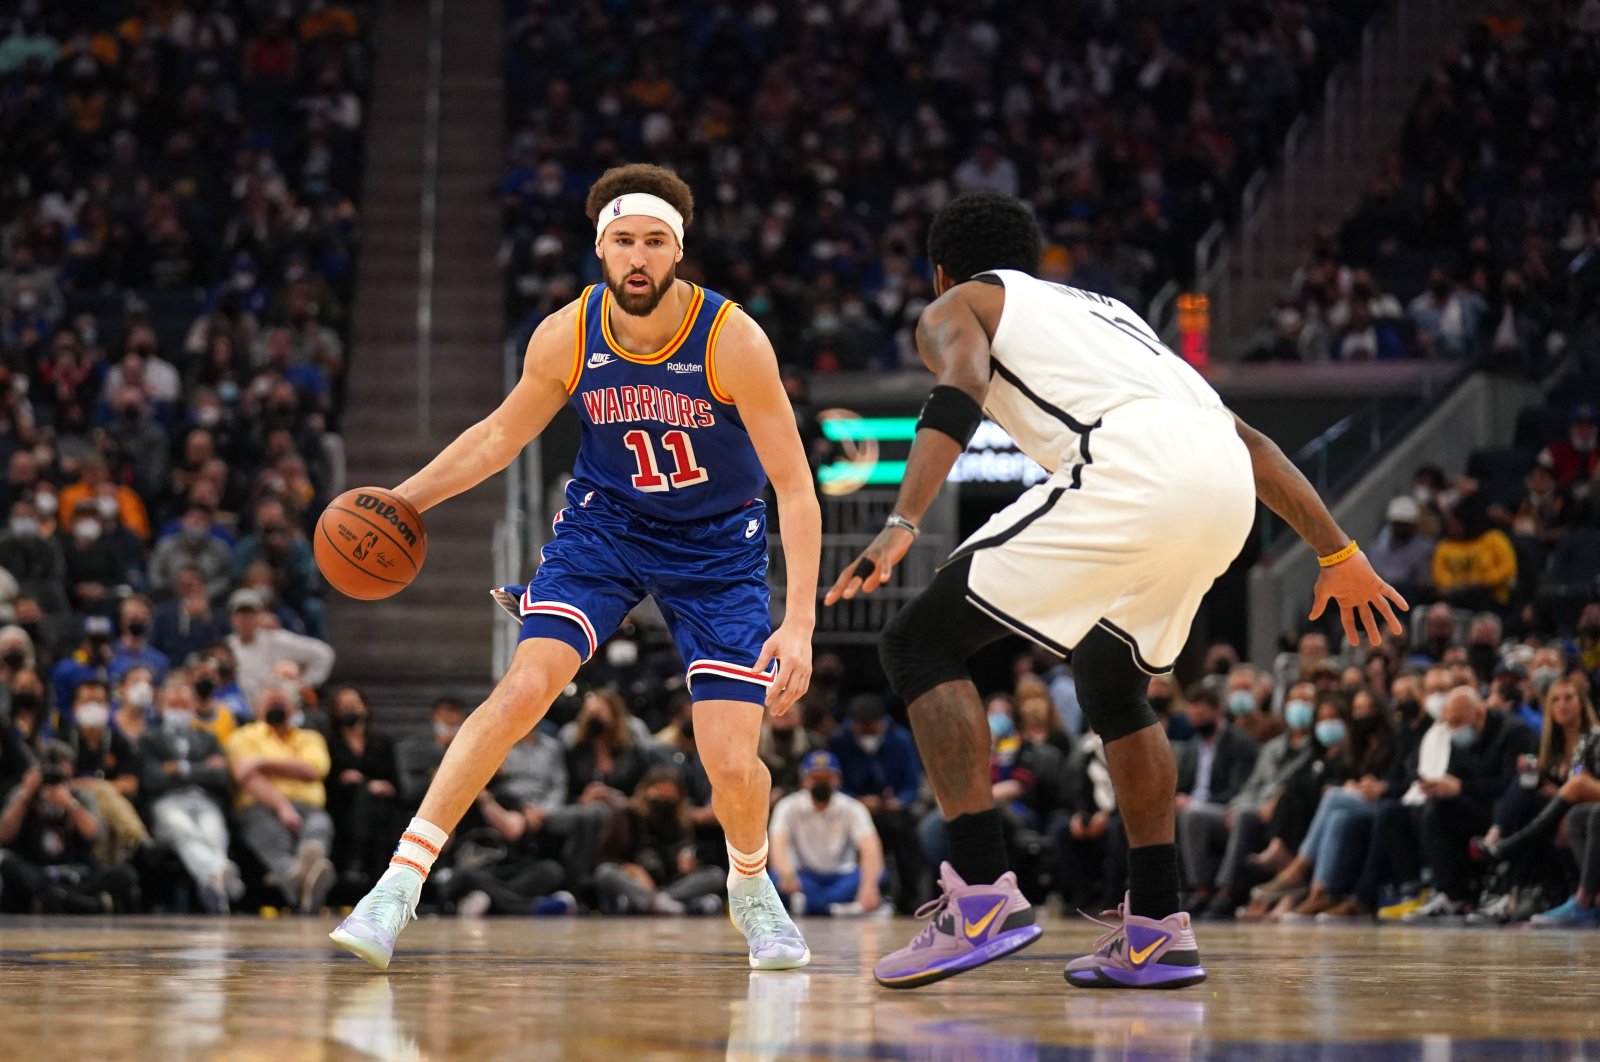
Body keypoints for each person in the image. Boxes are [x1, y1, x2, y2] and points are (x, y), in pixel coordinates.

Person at [825, 190, 1406, 990]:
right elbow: (1254, 441)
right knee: (1112, 680)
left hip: (1130, 468)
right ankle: (1158, 926)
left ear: (939, 272)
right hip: (1224, 491)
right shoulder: (1116, 319)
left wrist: (902, 520)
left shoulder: (959, 303)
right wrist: (1337, 550)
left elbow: (958, 385)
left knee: (918, 641)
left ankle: (982, 893)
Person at [334, 164, 820, 972]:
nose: (638, 256)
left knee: (731, 761)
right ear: (601, 248)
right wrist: (405, 502)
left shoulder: (732, 339)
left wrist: (798, 623)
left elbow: (797, 488)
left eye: (655, 242)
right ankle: (398, 884)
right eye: (624, 240)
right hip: (607, 526)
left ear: (678, 252)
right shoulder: (567, 332)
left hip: (718, 545)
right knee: (523, 687)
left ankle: (750, 884)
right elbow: (498, 437)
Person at [226, 680, 336, 914]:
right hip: (259, 807)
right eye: (271, 702)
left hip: (308, 806)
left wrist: (262, 762)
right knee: (272, 838)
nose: (277, 707)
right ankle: (305, 877)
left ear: (294, 708)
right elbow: (245, 776)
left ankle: (308, 866)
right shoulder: (242, 737)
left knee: (320, 825)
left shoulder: (310, 737)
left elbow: (314, 770)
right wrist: (283, 805)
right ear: (257, 707)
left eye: (281, 703)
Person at [138, 678, 240, 912]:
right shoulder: (149, 739)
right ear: (160, 706)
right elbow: (152, 779)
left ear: (193, 706)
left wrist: (179, 768)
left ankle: (211, 882)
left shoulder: (208, 738)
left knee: (212, 831)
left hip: (203, 800)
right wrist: (201, 768)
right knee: (183, 828)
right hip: (167, 802)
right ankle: (221, 870)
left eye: (183, 704)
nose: (178, 709)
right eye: (173, 703)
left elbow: (221, 776)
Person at [769, 751, 885, 916]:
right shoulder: (788, 806)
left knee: (878, 874)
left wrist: (869, 887)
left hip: (841, 876)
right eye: (815, 778)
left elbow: (870, 847)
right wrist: (787, 875)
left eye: (827, 778)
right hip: (804, 876)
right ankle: (840, 909)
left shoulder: (853, 808)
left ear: (837, 780)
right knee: (773, 878)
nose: (821, 783)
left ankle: (809, 906)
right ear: (804, 780)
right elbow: (778, 846)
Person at [226, 588, 335, 704]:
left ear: (260, 615)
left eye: (250, 614)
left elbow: (324, 653)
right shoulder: (226, 647)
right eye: (241, 614)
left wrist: (304, 685)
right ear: (232, 618)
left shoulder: (274, 638)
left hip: (278, 708)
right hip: (239, 712)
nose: (245, 619)